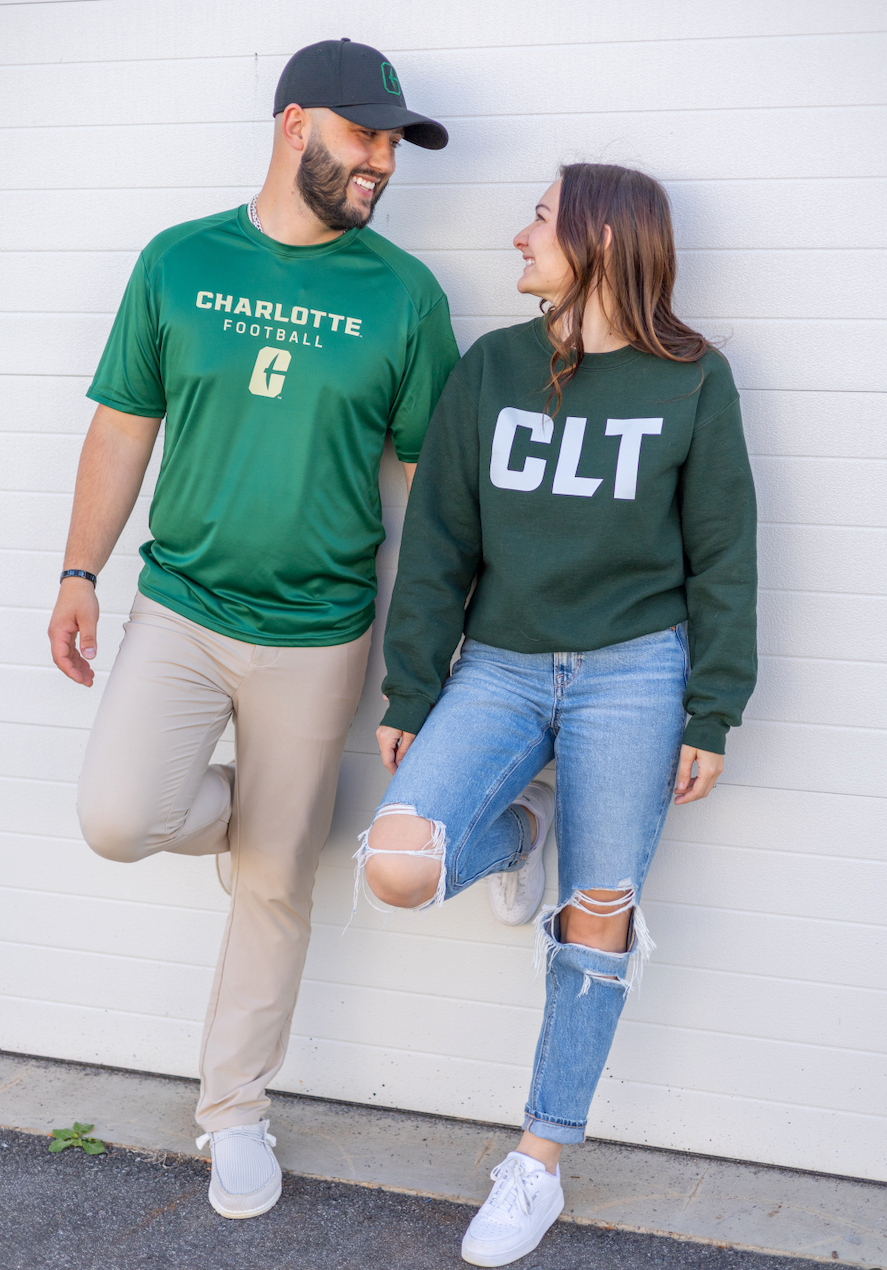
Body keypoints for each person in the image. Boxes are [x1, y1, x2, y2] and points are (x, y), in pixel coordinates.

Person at [47, 38, 458, 1220]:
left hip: (321, 630)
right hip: (179, 605)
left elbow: (429, 486)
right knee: (120, 816)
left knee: (274, 884)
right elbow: (123, 425)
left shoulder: (404, 294)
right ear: (294, 126)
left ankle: (233, 1111)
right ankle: (280, 812)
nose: (382, 161)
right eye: (364, 135)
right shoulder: (179, 261)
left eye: (394, 144)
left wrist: (427, 648)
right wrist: (79, 570)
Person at [356, 163, 757, 1267]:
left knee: (598, 913)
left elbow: (723, 555)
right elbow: (438, 538)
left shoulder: (692, 380)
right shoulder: (492, 367)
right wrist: (412, 687)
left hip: (635, 671)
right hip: (500, 666)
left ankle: (537, 1158)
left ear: (601, 241)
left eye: (539, 217)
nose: (518, 236)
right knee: (398, 863)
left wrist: (712, 709)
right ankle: (518, 830)